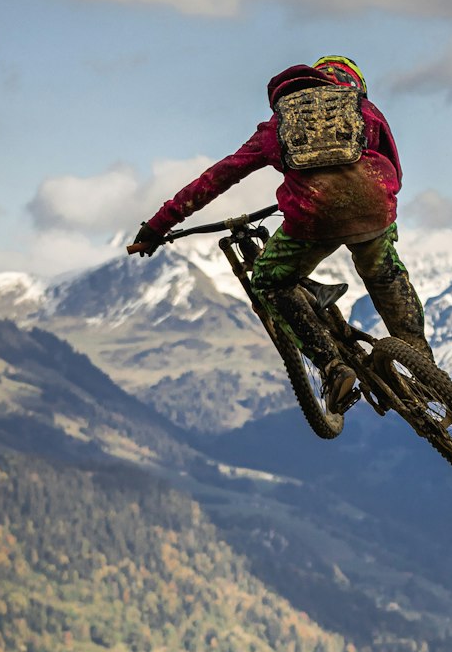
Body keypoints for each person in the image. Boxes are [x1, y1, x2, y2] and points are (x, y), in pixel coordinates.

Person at [127, 55, 432, 413]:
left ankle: (334, 369)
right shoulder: (365, 109)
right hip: (375, 203)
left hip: (314, 218)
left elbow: (217, 178)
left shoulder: (279, 124)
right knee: (385, 274)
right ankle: (424, 368)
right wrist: (380, 202)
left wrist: (157, 226)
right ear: (353, 84)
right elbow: (393, 164)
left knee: (269, 281)